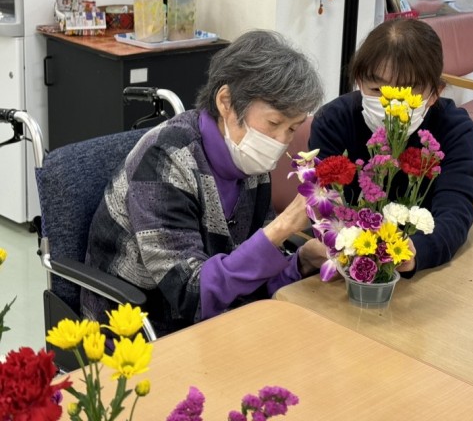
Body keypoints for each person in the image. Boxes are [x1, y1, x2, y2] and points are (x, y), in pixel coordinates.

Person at [83, 30, 324, 336]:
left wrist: (302, 261)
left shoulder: (249, 158)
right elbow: (191, 296)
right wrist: (283, 226)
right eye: (274, 123)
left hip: (216, 320)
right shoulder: (167, 160)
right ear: (226, 101)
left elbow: (248, 272)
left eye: (292, 129)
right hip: (141, 330)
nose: (280, 141)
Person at [309, 17, 473, 276]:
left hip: (421, 268)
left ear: (435, 93)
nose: (391, 105)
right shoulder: (334, 121)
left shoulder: (454, 129)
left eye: (406, 93)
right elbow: (325, 210)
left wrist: (414, 251)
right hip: (348, 268)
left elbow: (455, 209)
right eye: (377, 89)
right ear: (358, 81)